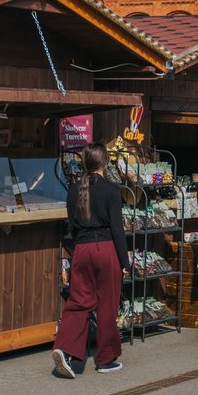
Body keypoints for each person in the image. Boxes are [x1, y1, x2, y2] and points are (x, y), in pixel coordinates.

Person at [53, 143, 131, 378]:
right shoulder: (111, 189)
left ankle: (64, 347)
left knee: (79, 301)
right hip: (105, 248)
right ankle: (105, 359)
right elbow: (117, 230)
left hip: (82, 250)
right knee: (107, 303)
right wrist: (124, 262)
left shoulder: (74, 190)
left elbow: (72, 226)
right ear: (105, 162)